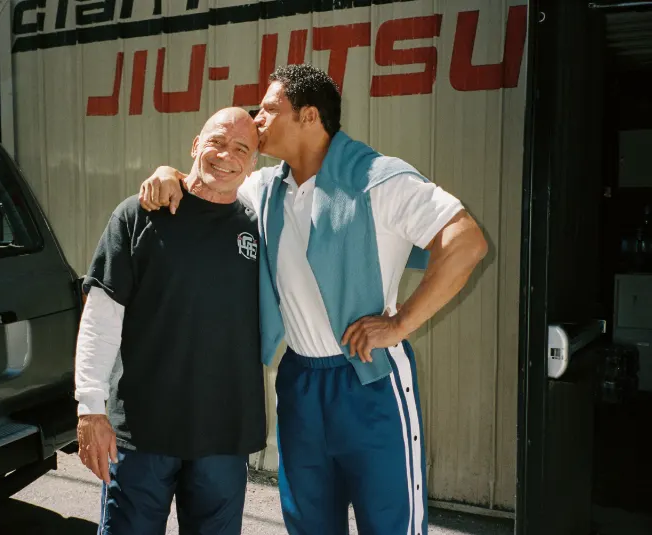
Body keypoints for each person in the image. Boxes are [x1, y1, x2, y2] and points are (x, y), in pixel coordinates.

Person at [137, 64, 489, 535]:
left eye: (267, 109)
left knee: (391, 526)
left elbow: (466, 241)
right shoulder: (264, 188)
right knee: (308, 526)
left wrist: (401, 323)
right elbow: (207, 179)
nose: (255, 119)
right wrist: (166, 173)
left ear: (308, 116)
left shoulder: (378, 178)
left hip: (370, 381)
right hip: (301, 382)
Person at [74, 107, 267, 535]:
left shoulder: (259, 226)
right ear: (195, 144)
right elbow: (101, 318)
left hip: (223, 436)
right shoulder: (138, 215)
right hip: (143, 435)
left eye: (241, 148)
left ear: (253, 164)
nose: (226, 155)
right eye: (216, 141)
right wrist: (90, 409)